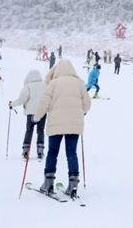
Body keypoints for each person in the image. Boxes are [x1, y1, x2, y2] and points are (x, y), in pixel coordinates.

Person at [34, 60, 91, 198]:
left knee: (52, 152)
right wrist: (82, 111)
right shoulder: (79, 83)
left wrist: (36, 117)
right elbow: (87, 103)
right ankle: (73, 185)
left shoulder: (53, 83)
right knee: (71, 153)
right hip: (74, 125)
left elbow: (44, 102)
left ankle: (48, 183)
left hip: (56, 124)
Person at [10, 70, 46, 159]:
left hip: (31, 113)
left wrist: (12, 104)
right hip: (42, 112)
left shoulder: (28, 87)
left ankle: (26, 150)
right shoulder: (45, 85)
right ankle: (40, 150)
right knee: (41, 130)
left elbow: (22, 99)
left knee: (29, 130)